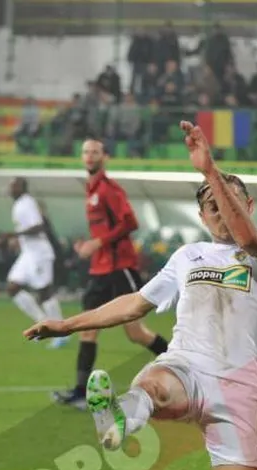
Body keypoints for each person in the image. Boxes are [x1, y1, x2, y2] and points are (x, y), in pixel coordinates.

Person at [24, 121, 257, 470]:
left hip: (240, 391)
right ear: (201, 216)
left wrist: (210, 172)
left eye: (228, 201)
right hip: (187, 365)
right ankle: (118, 419)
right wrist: (68, 323)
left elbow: (249, 238)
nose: (220, 211)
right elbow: (136, 304)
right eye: (211, 206)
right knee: (153, 384)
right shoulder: (188, 256)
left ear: (248, 205)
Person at [51, 138, 169, 409]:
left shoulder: (109, 189)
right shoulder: (91, 190)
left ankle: (186, 368)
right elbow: (103, 230)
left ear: (105, 157)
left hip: (120, 268)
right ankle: (80, 392)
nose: (90, 156)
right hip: (99, 269)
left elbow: (130, 223)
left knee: (136, 333)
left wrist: (97, 243)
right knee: (87, 330)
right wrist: (89, 245)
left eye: (95, 152)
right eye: (86, 152)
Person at [5, 177, 67, 348]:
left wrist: (17, 235)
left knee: (44, 292)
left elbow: (39, 226)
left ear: (21, 188)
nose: (10, 189)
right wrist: (19, 239)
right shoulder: (19, 204)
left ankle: (61, 332)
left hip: (40, 253)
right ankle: (42, 322)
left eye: (13, 186)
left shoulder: (27, 203)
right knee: (12, 288)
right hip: (28, 254)